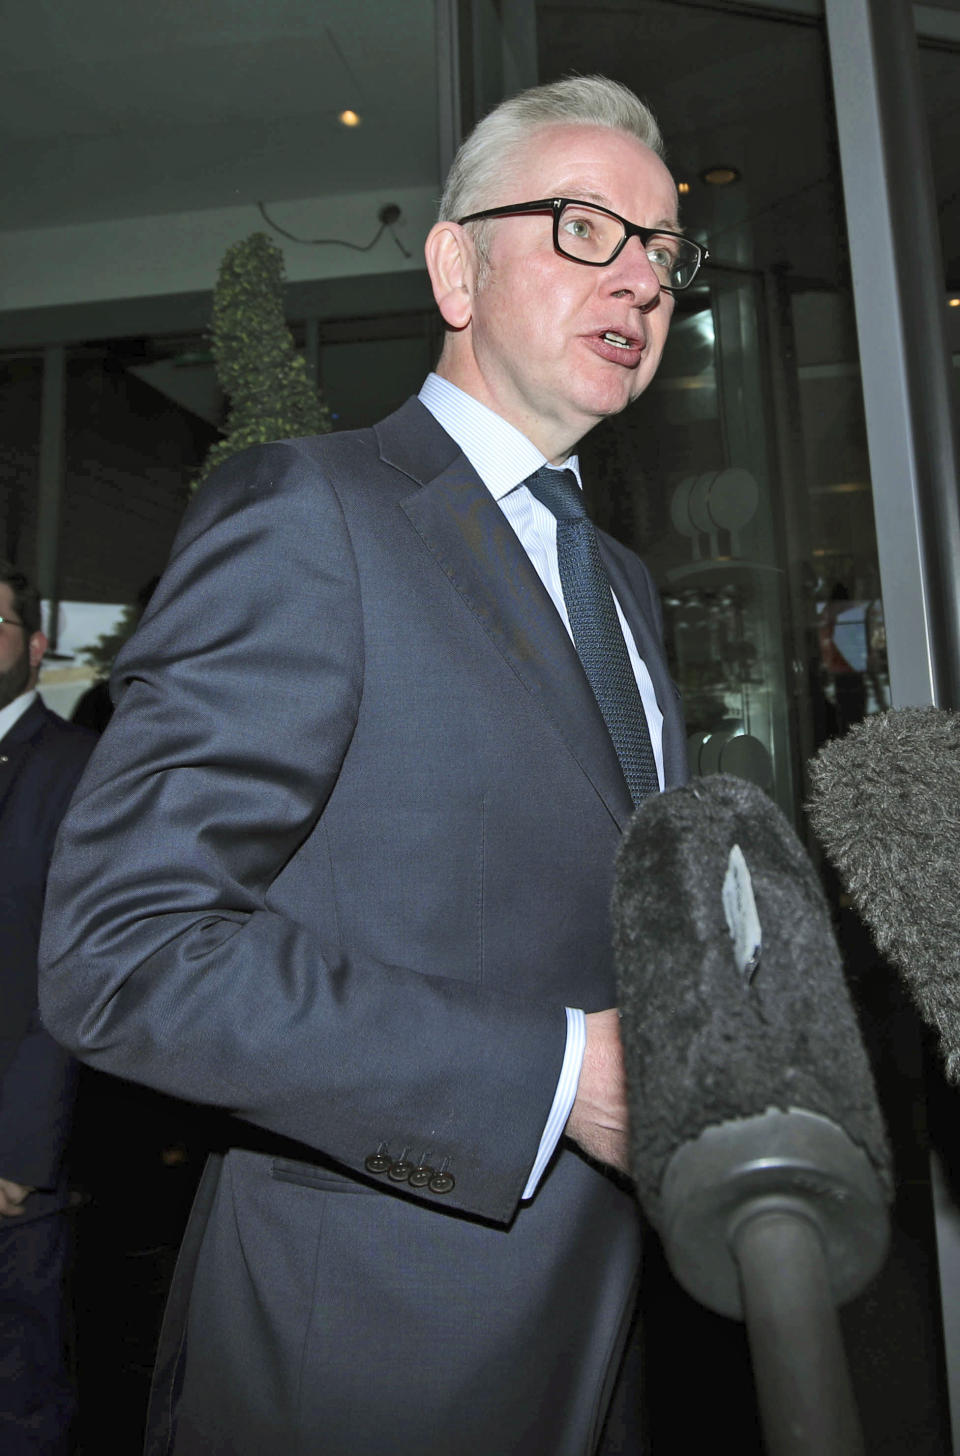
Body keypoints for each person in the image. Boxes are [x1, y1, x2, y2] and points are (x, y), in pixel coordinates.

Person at [39, 76, 705, 1455]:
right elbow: (122, 950)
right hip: (375, 1350)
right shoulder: (309, 514)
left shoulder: (624, 582)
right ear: (457, 266)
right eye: (587, 226)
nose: (641, 276)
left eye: (660, 246)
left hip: (620, 1323)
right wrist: (553, 1080)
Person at [0, 561, 96, 1453]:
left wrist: (23, 1155)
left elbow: (66, 966)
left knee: (19, 1386)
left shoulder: (75, 769)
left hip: (8, 1160)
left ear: (34, 648)